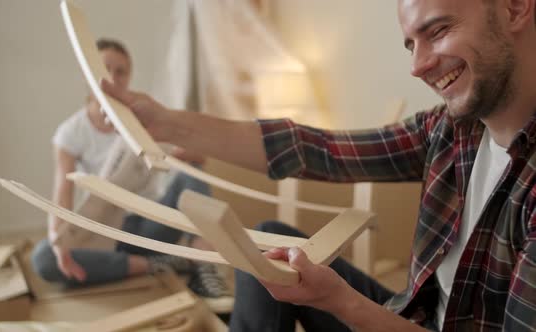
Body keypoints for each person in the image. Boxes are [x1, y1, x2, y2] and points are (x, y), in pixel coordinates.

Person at [99, 0, 536, 330]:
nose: (418, 66)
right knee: (267, 252)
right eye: (411, 45)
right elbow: (315, 149)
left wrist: (341, 302)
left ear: (516, 6)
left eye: (438, 31)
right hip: (413, 315)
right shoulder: (453, 130)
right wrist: (165, 123)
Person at [31, 38, 230, 302]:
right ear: (88, 72)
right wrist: (59, 239)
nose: (112, 77)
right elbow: (62, 193)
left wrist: (155, 144)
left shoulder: (142, 116)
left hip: (151, 224)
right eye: (105, 69)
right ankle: (165, 263)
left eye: (121, 71)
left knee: (190, 172)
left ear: (129, 77)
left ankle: (204, 263)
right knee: (45, 257)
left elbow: (198, 157)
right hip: (106, 230)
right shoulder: (71, 132)